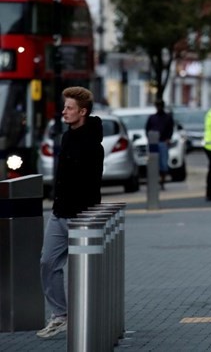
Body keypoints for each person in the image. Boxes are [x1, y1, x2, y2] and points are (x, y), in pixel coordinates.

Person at [37, 87, 105, 339]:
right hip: (59, 212)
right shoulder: (66, 137)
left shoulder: (93, 145)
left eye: (69, 108)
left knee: (84, 274)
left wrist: (86, 215)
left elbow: (91, 183)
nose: (63, 111)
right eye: (64, 107)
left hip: (82, 216)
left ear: (82, 112)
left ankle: (90, 321)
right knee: (47, 262)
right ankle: (60, 315)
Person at [145, 99, 175, 188]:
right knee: (154, 163)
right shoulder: (152, 117)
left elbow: (171, 129)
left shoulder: (167, 117)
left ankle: (162, 180)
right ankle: (156, 180)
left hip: (163, 142)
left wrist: (168, 139)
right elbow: (147, 129)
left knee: (163, 163)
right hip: (154, 142)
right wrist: (150, 138)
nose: (159, 108)